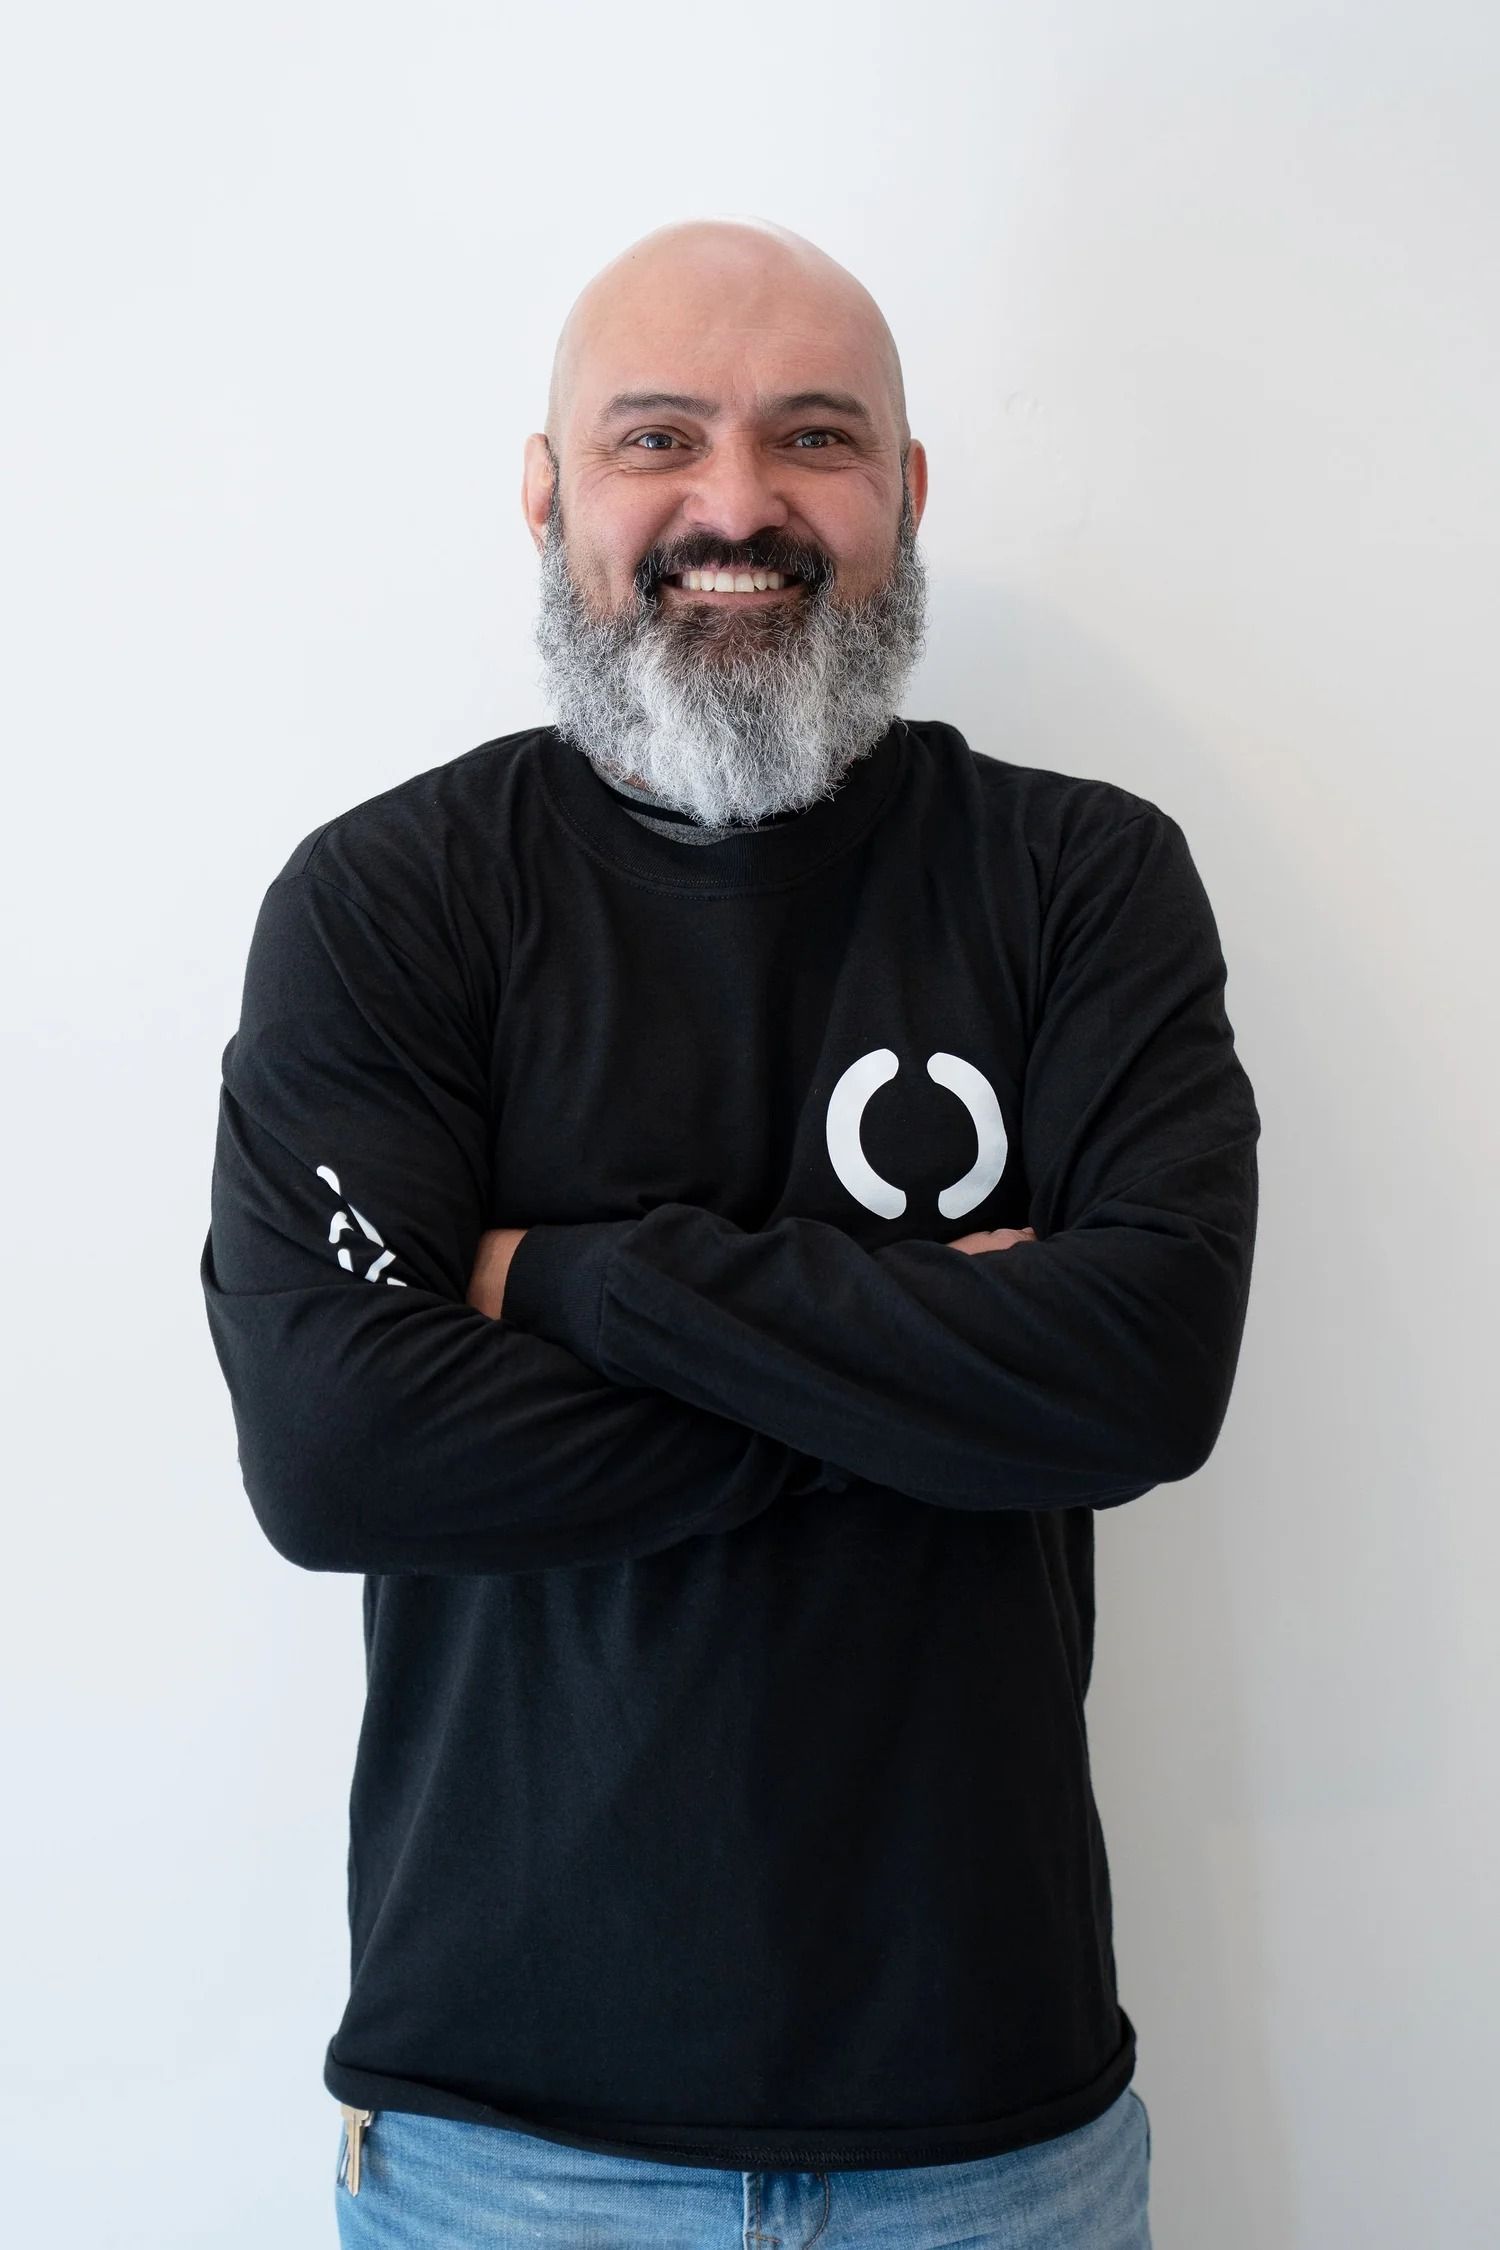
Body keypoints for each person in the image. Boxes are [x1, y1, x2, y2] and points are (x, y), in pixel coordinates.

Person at [200, 215, 1260, 2248]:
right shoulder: (390, 905)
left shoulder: (1081, 884)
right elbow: (339, 1455)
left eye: (816, 439)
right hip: (502, 2158)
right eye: (658, 440)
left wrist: (562, 1279)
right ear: (547, 493)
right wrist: (937, 1378)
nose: (737, 506)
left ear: (907, 495)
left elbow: (1138, 1375)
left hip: (994, 2151)